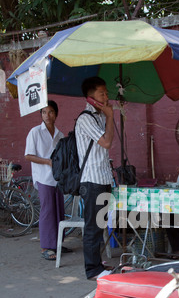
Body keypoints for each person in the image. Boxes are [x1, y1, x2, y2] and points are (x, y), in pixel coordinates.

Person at [76, 76, 114, 280]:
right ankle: (93, 269)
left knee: (100, 224)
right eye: (102, 93)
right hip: (92, 182)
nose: (107, 96)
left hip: (103, 178)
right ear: (90, 97)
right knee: (93, 226)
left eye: (107, 92)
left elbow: (109, 141)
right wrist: (110, 116)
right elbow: (107, 142)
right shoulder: (86, 118)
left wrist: (107, 116)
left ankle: (97, 264)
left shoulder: (99, 116)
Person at [25, 100, 69, 261]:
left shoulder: (59, 134)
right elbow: (28, 155)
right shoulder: (35, 132)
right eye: (44, 112)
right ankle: (46, 246)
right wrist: (47, 161)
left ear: (56, 114)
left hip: (57, 179)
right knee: (47, 211)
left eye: (50, 112)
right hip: (43, 177)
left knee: (59, 211)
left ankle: (57, 243)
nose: (47, 115)